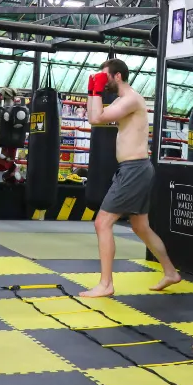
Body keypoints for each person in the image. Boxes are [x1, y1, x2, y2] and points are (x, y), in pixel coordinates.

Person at [80, 59, 181, 297]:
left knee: (102, 223)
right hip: (133, 168)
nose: (102, 82)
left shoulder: (132, 99)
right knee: (141, 227)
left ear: (117, 76)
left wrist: (95, 90)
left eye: (104, 77)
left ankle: (106, 284)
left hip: (135, 169)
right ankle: (170, 272)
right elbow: (93, 116)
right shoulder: (119, 100)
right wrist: (91, 90)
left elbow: (97, 119)